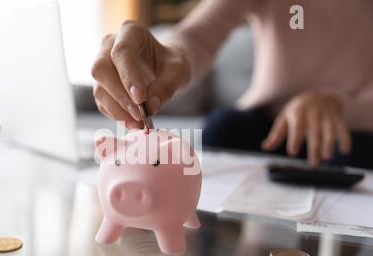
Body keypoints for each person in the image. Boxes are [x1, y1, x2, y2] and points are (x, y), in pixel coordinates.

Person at [91, 0, 373, 169]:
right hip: (266, 126)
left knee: (355, 158)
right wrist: (167, 53)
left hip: (352, 128)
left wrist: (338, 105)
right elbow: (200, 34)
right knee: (222, 130)